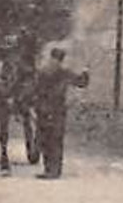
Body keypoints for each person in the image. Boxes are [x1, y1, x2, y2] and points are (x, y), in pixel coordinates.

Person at [32, 46, 87, 180]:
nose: (54, 62)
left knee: (54, 140)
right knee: (46, 140)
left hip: (55, 110)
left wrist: (85, 73)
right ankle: (49, 169)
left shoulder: (60, 73)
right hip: (47, 110)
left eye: (56, 60)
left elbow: (81, 82)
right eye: (53, 59)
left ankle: (54, 170)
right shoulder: (45, 72)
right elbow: (34, 90)